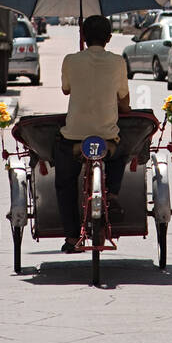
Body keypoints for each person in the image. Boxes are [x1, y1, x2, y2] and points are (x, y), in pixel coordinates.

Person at [54, 13, 130, 253]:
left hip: (74, 138)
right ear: (109, 38)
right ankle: (114, 192)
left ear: (83, 36)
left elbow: (66, 90)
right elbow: (125, 103)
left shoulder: (70, 60)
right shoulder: (118, 62)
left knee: (65, 182)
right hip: (107, 139)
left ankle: (70, 236)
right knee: (123, 148)